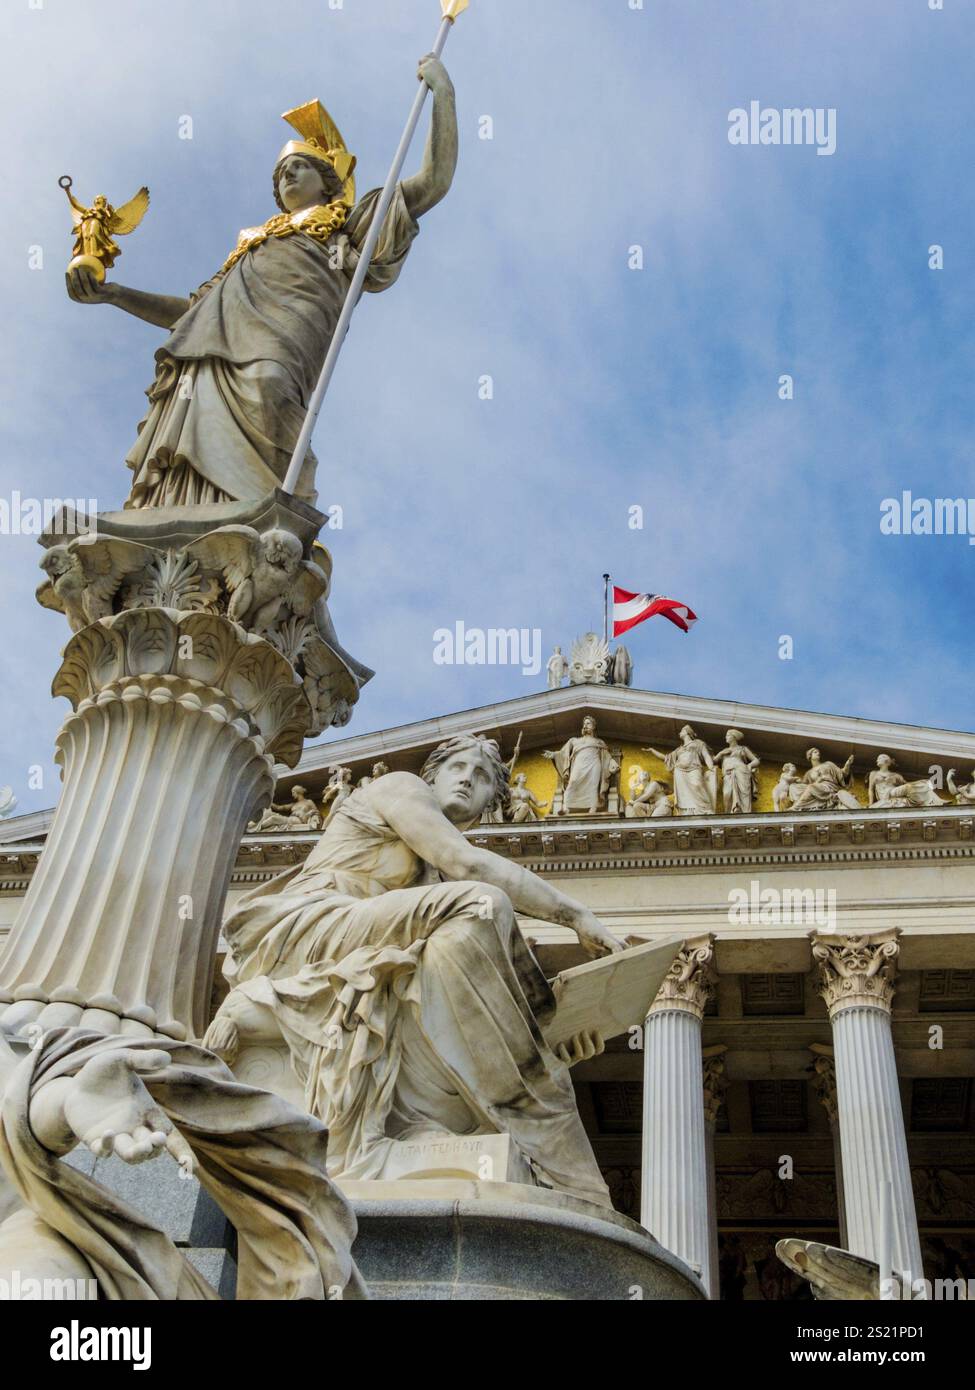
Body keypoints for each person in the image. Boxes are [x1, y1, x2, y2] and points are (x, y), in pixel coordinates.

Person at [204, 734, 622, 1205]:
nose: (467, 777)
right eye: (457, 767)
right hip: (311, 925)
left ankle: (570, 1181)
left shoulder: (431, 881)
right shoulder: (400, 788)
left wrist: (551, 1037)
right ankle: (529, 1101)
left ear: (493, 802)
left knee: (482, 958)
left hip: (371, 936)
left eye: (483, 776)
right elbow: (465, 863)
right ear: (431, 774)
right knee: (481, 903)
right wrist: (576, 916)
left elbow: (465, 994)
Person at [65, 56, 458, 510]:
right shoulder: (248, 246)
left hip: (286, 336)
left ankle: (264, 511)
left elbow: (433, 182)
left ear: (329, 183)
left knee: (270, 386)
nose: (286, 175)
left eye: (299, 168)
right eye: (280, 174)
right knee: (190, 421)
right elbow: (191, 313)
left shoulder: (348, 229)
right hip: (210, 356)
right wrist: (113, 294)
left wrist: (442, 93)